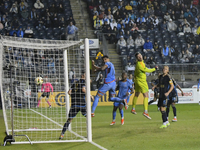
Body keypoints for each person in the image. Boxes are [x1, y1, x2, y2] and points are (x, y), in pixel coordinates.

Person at [59, 72, 94, 139]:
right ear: (84, 76)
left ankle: (62, 134)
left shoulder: (74, 83)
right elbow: (83, 89)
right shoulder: (83, 82)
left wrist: (73, 95)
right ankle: (89, 134)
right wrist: (90, 95)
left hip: (74, 104)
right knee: (88, 117)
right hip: (81, 104)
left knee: (69, 119)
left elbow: (69, 92)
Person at [131, 52, 158, 119]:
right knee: (146, 95)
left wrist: (134, 80)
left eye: (140, 55)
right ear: (137, 59)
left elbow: (135, 73)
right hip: (141, 81)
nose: (140, 57)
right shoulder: (140, 64)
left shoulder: (139, 63)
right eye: (138, 57)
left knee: (136, 94)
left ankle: (133, 108)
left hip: (137, 80)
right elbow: (147, 70)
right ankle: (145, 111)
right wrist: (155, 69)